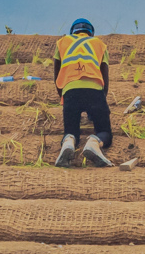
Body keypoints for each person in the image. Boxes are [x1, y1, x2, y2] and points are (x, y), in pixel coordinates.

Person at [49, 17, 114, 168]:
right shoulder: (99, 44)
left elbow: (56, 74)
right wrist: (101, 101)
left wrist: (63, 96)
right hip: (94, 90)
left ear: (73, 32)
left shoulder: (62, 43)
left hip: (70, 90)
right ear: (91, 33)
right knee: (105, 131)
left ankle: (68, 142)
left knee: (71, 130)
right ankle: (93, 143)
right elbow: (105, 76)